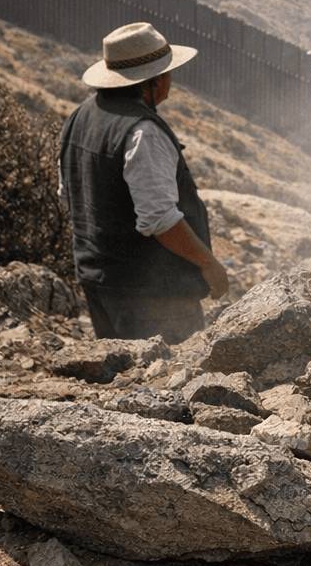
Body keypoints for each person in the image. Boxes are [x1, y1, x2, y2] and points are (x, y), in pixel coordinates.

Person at [59, 21, 228, 344]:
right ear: (153, 81)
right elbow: (160, 220)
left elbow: (70, 195)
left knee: (123, 382)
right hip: (152, 295)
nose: (170, 81)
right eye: (166, 73)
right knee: (168, 386)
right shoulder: (143, 133)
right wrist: (210, 264)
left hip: (98, 283)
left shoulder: (78, 118)